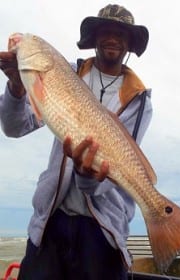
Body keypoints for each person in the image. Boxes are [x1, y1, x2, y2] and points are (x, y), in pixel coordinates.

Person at [0, 4, 152, 280]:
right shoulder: (64, 74)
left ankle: (159, 216)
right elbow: (14, 127)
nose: (112, 38)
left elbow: (115, 170)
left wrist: (88, 177)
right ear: (93, 38)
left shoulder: (139, 102)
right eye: (105, 30)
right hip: (51, 220)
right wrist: (16, 87)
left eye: (121, 33)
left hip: (102, 231)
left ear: (130, 43)